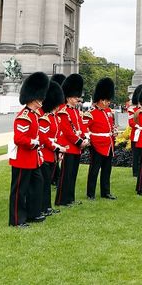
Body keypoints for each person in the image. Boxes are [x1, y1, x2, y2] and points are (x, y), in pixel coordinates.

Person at [9, 72, 49, 227]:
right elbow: (19, 139)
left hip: (33, 159)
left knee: (37, 185)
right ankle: (17, 220)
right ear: (33, 98)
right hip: (23, 159)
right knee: (19, 191)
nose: (41, 101)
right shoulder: (24, 116)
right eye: (39, 98)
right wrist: (34, 142)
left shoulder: (34, 115)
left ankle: (33, 213)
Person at [56, 73, 89, 207]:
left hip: (76, 147)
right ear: (69, 97)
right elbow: (68, 131)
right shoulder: (63, 111)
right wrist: (79, 142)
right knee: (66, 175)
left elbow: (81, 127)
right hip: (68, 146)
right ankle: (61, 200)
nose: (77, 99)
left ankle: (70, 198)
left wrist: (85, 138)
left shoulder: (75, 111)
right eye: (75, 97)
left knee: (73, 174)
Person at [86, 78, 117, 200]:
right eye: (107, 100)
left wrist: (113, 131)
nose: (109, 102)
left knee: (107, 170)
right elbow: (84, 128)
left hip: (108, 144)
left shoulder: (108, 111)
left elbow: (110, 124)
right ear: (100, 100)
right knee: (94, 170)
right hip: (96, 144)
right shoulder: (91, 113)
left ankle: (105, 192)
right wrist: (89, 139)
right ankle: (91, 193)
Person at [39, 81, 66, 216]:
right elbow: (44, 139)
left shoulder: (55, 118)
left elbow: (58, 135)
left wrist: (59, 150)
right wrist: (57, 148)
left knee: (48, 182)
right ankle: (43, 207)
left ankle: (47, 207)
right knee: (44, 183)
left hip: (53, 153)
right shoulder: (45, 119)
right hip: (45, 153)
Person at [128, 85, 142, 177]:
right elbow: (131, 122)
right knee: (136, 155)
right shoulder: (132, 109)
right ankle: (135, 171)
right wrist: (139, 127)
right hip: (136, 135)